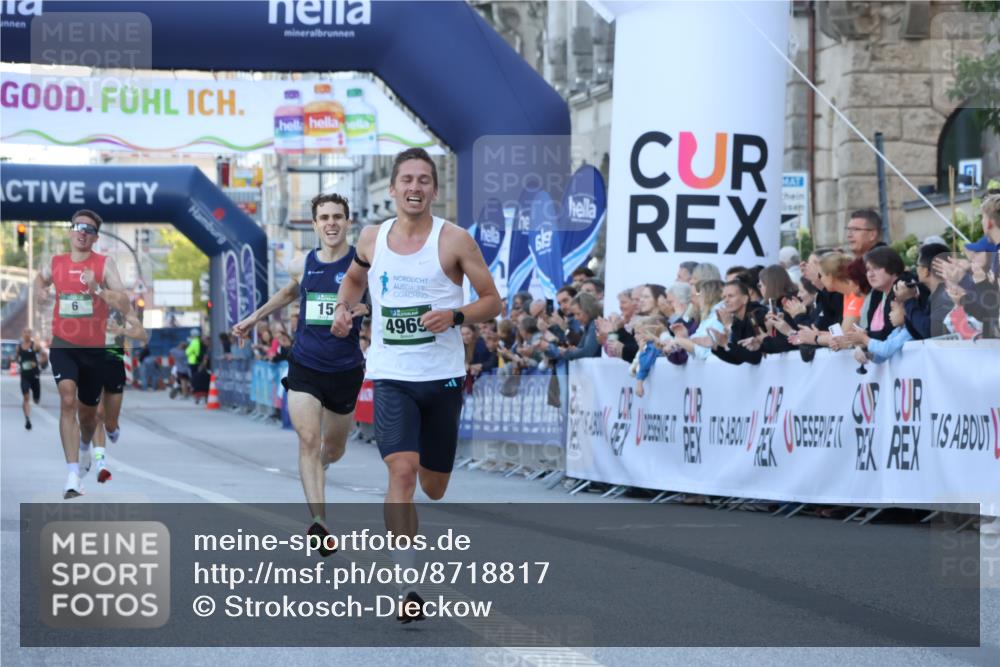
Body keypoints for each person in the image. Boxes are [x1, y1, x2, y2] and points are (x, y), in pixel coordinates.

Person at [331, 149, 501, 621]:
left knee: (435, 486)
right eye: (407, 179)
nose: (415, 187)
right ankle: (407, 586)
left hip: (442, 377)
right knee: (401, 473)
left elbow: (493, 301)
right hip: (392, 375)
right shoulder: (372, 237)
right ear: (392, 188)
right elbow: (353, 281)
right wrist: (344, 309)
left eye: (424, 180)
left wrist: (456, 315)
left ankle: (429, 485)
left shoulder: (455, 240)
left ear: (434, 190)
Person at [234, 192, 368, 554]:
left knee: (334, 448)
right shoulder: (302, 263)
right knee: (308, 439)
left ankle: (318, 466)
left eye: (337, 217)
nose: (331, 223)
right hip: (305, 365)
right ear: (314, 224)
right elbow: (289, 292)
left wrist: (364, 309)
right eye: (324, 217)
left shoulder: (362, 264)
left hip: (345, 369)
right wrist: (253, 318)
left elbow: (381, 298)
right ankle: (319, 522)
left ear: (348, 222)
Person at [33, 209, 127, 499]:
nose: (83, 232)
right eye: (78, 227)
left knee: (88, 417)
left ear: (96, 238)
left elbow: (123, 300)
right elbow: (39, 280)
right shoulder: (56, 262)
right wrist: (40, 293)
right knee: (67, 400)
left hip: (95, 350)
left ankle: (86, 445)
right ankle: (72, 476)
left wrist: (97, 288)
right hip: (63, 344)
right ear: (70, 231)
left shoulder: (104, 264)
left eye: (89, 229)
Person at [89, 296, 148, 484]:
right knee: (97, 414)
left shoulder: (122, 306)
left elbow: (141, 334)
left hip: (114, 363)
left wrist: (121, 330)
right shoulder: (84, 302)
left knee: (110, 423)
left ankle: (113, 429)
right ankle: (101, 464)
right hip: (92, 362)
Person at [18, 328, 44, 430]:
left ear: (31, 334)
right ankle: (27, 419)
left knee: (36, 400)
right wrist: (14, 360)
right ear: (22, 334)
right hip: (24, 376)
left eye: (29, 332)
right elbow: (17, 358)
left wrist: (40, 362)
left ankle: (36, 398)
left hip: (35, 375)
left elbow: (44, 355)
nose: (27, 334)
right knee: (26, 397)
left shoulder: (35, 345)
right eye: (25, 332)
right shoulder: (19, 347)